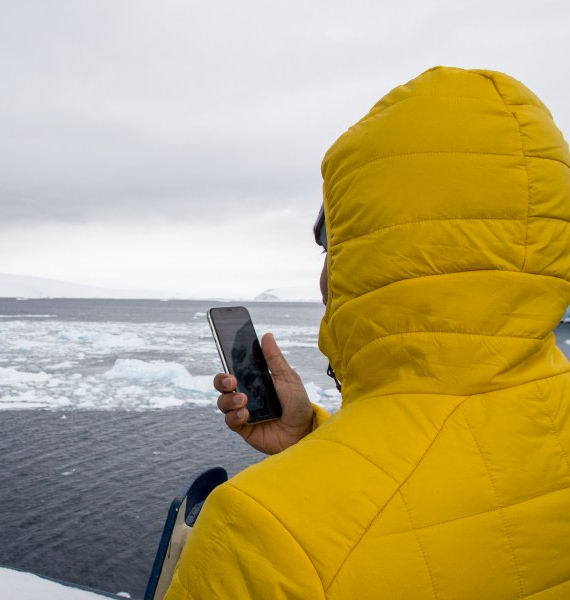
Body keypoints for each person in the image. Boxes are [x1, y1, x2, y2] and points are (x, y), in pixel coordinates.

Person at [163, 66, 570, 598]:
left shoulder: (262, 534)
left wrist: (316, 474)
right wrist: (314, 438)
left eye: (333, 241)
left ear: (372, 255)